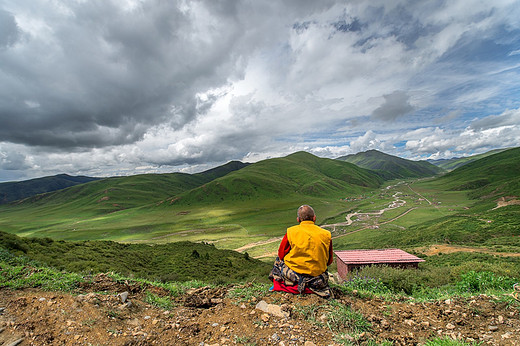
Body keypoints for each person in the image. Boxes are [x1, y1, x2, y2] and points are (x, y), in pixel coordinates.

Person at [269, 205, 333, 298]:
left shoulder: (291, 231)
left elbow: (281, 254)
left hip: (294, 276)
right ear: (314, 218)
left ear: (298, 219)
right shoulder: (326, 234)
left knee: (278, 260)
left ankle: (279, 284)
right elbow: (329, 261)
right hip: (318, 279)